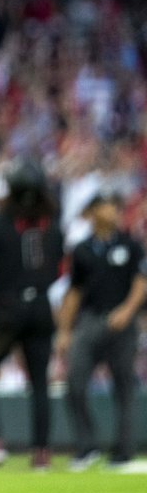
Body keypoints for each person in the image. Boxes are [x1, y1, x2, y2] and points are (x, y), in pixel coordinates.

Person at [0, 158, 64, 473]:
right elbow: (60, 268)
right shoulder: (53, 225)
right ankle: (42, 453)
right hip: (42, 308)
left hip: (7, 307)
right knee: (39, 383)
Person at [57, 192, 147, 471]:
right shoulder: (82, 250)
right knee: (74, 380)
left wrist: (127, 311)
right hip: (91, 319)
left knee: (123, 386)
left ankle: (122, 452)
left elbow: (141, 282)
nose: (114, 212)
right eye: (108, 206)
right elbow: (74, 292)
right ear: (94, 212)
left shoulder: (130, 245)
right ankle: (87, 446)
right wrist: (64, 330)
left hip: (123, 322)